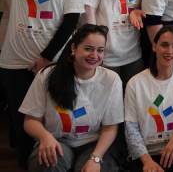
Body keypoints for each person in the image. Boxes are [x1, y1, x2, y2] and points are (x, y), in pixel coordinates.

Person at [0, 0, 86, 168]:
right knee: (21, 125)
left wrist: (46, 58)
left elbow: (70, 22)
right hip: (15, 63)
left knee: (52, 122)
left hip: (52, 63)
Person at [20, 24, 123, 172]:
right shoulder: (47, 75)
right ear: (74, 48)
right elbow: (30, 121)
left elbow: (110, 128)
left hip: (93, 143)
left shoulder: (112, 79)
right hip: (56, 140)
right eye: (88, 48)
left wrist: (95, 158)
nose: (94, 55)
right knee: (46, 163)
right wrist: (45, 137)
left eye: (100, 50)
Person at [124, 26, 173, 172]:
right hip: (146, 155)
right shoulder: (135, 84)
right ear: (154, 46)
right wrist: (147, 161)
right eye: (164, 45)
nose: (170, 51)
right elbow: (131, 129)